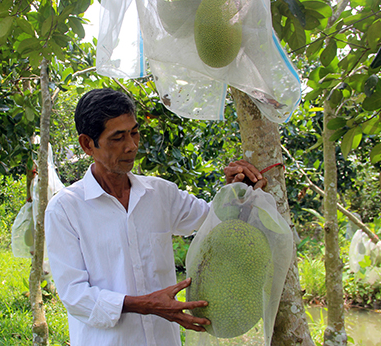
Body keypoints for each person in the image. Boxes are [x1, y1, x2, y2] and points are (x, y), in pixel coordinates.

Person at [45, 88, 266, 345]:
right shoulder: (65, 209)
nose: (132, 146)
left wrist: (235, 189)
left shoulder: (159, 193)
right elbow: (75, 296)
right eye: (117, 138)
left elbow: (213, 221)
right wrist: (147, 305)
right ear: (87, 144)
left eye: (134, 132)